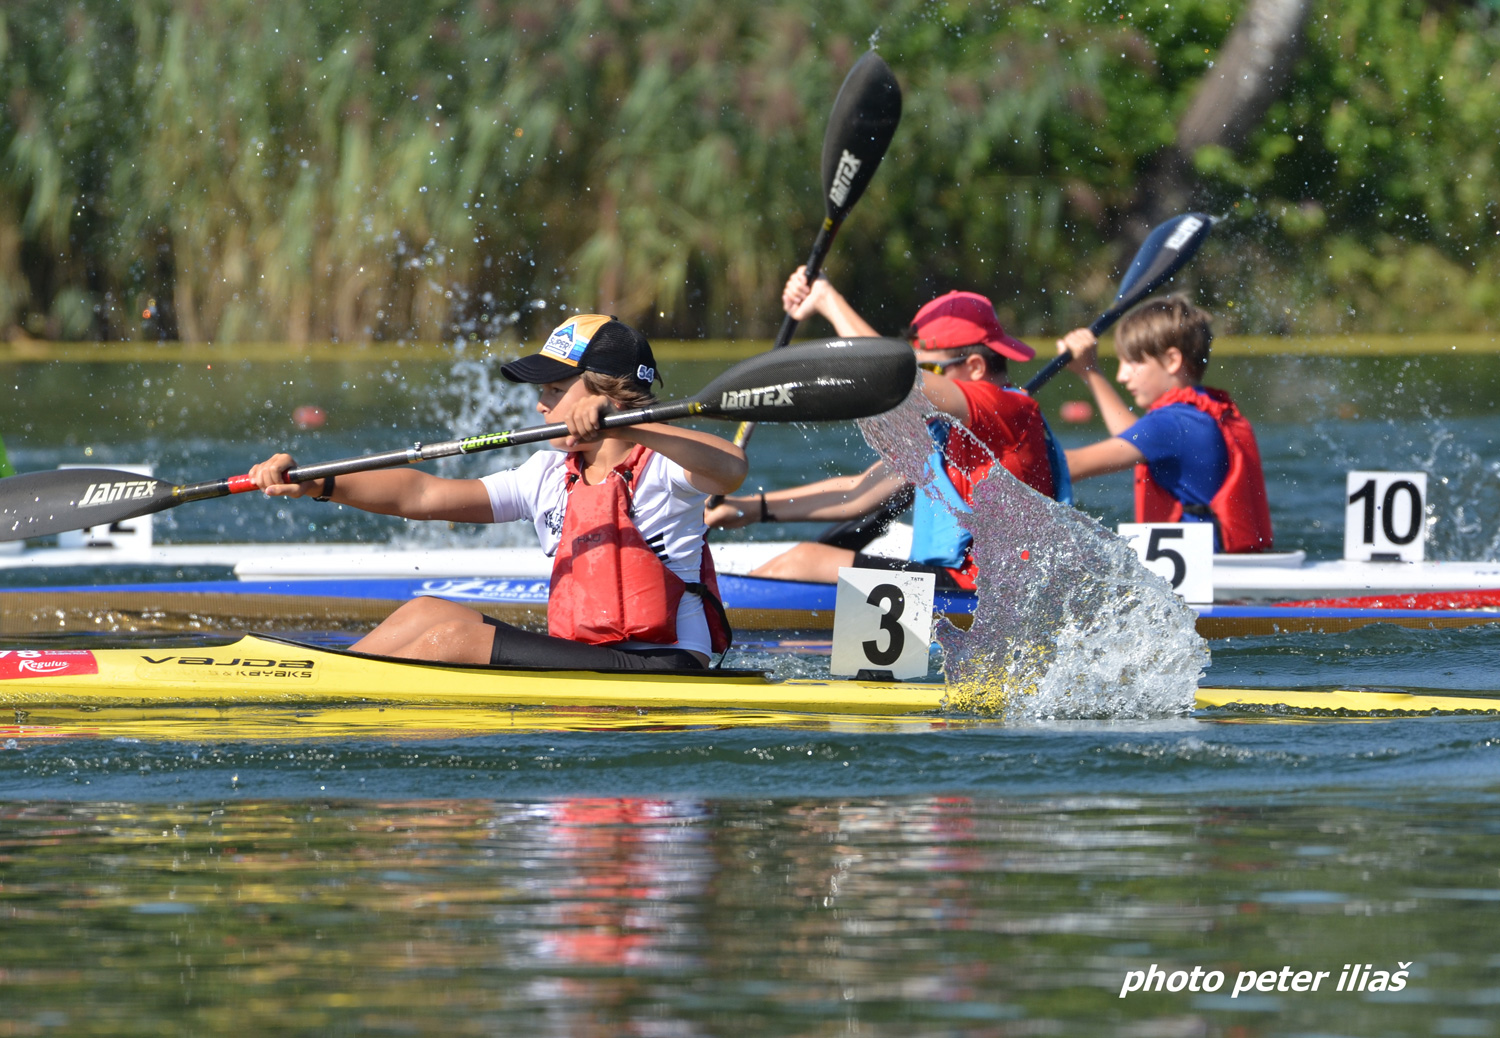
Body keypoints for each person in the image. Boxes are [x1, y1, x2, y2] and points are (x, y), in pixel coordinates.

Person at [249, 315, 747, 670]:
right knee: (425, 612)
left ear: (603, 392)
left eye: (554, 390)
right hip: (591, 656)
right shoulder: (547, 474)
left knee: (454, 639)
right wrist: (318, 483)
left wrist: (632, 428)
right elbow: (422, 496)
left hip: (666, 662)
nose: (540, 405)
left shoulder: (665, 469)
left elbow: (730, 468)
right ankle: (331, 684)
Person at [705, 269, 1069, 590]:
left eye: (932, 372)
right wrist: (751, 509)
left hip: (988, 594)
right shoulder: (947, 432)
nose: (927, 382)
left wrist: (829, 301)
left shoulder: (1011, 408)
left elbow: (889, 377)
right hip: (952, 586)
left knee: (802, 561)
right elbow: (860, 492)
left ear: (975, 366)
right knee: (801, 560)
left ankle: (715, 625)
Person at [1054, 295, 1273, 553]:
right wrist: (1089, 371)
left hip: (1206, 586)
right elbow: (1131, 436)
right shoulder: (1196, 414)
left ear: (1172, 360)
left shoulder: (1170, 425)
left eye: (1133, 361)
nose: (1122, 376)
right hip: (1226, 568)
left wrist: (999, 458)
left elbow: (1068, 466)